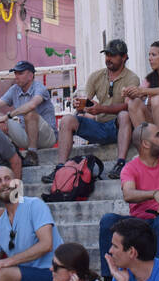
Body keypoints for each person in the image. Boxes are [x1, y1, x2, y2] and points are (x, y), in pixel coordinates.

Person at [99, 123, 159, 271]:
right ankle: (109, 278)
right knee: (108, 220)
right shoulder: (129, 168)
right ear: (146, 144)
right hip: (139, 225)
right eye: (158, 135)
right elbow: (128, 194)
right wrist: (154, 193)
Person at [49, 41, 141, 181]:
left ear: (124, 57)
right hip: (98, 126)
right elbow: (87, 101)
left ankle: (120, 163)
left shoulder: (132, 78)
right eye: (107, 55)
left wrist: (101, 108)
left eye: (113, 55)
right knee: (67, 120)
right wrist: (80, 104)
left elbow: (128, 106)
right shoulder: (96, 76)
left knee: (124, 115)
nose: (108, 59)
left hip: (119, 126)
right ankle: (61, 167)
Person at [0, 62, 58, 165]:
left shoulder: (39, 87)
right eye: (15, 73)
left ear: (30, 75)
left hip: (47, 138)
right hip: (26, 136)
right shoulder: (14, 89)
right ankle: (10, 154)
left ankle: (32, 155)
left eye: (20, 73)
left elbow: (32, 105)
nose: (16, 77)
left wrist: (7, 116)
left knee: (30, 114)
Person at [121, 43, 159, 137]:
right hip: (156, 120)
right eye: (149, 55)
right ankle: (145, 142)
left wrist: (142, 92)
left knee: (157, 99)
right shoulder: (149, 78)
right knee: (134, 103)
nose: (150, 58)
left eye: (153, 55)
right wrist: (129, 92)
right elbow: (131, 99)